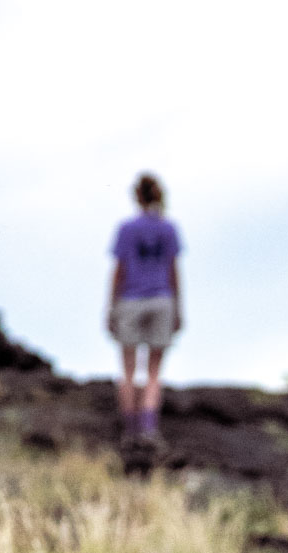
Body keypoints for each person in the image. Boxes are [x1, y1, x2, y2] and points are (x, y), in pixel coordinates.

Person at [106, 173, 183, 439]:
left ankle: (130, 430)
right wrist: (178, 308)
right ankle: (148, 429)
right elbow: (174, 272)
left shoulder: (126, 229)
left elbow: (119, 271)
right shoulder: (168, 228)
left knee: (127, 370)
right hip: (162, 300)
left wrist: (111, 307)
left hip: (129, 301)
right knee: (153, 372)